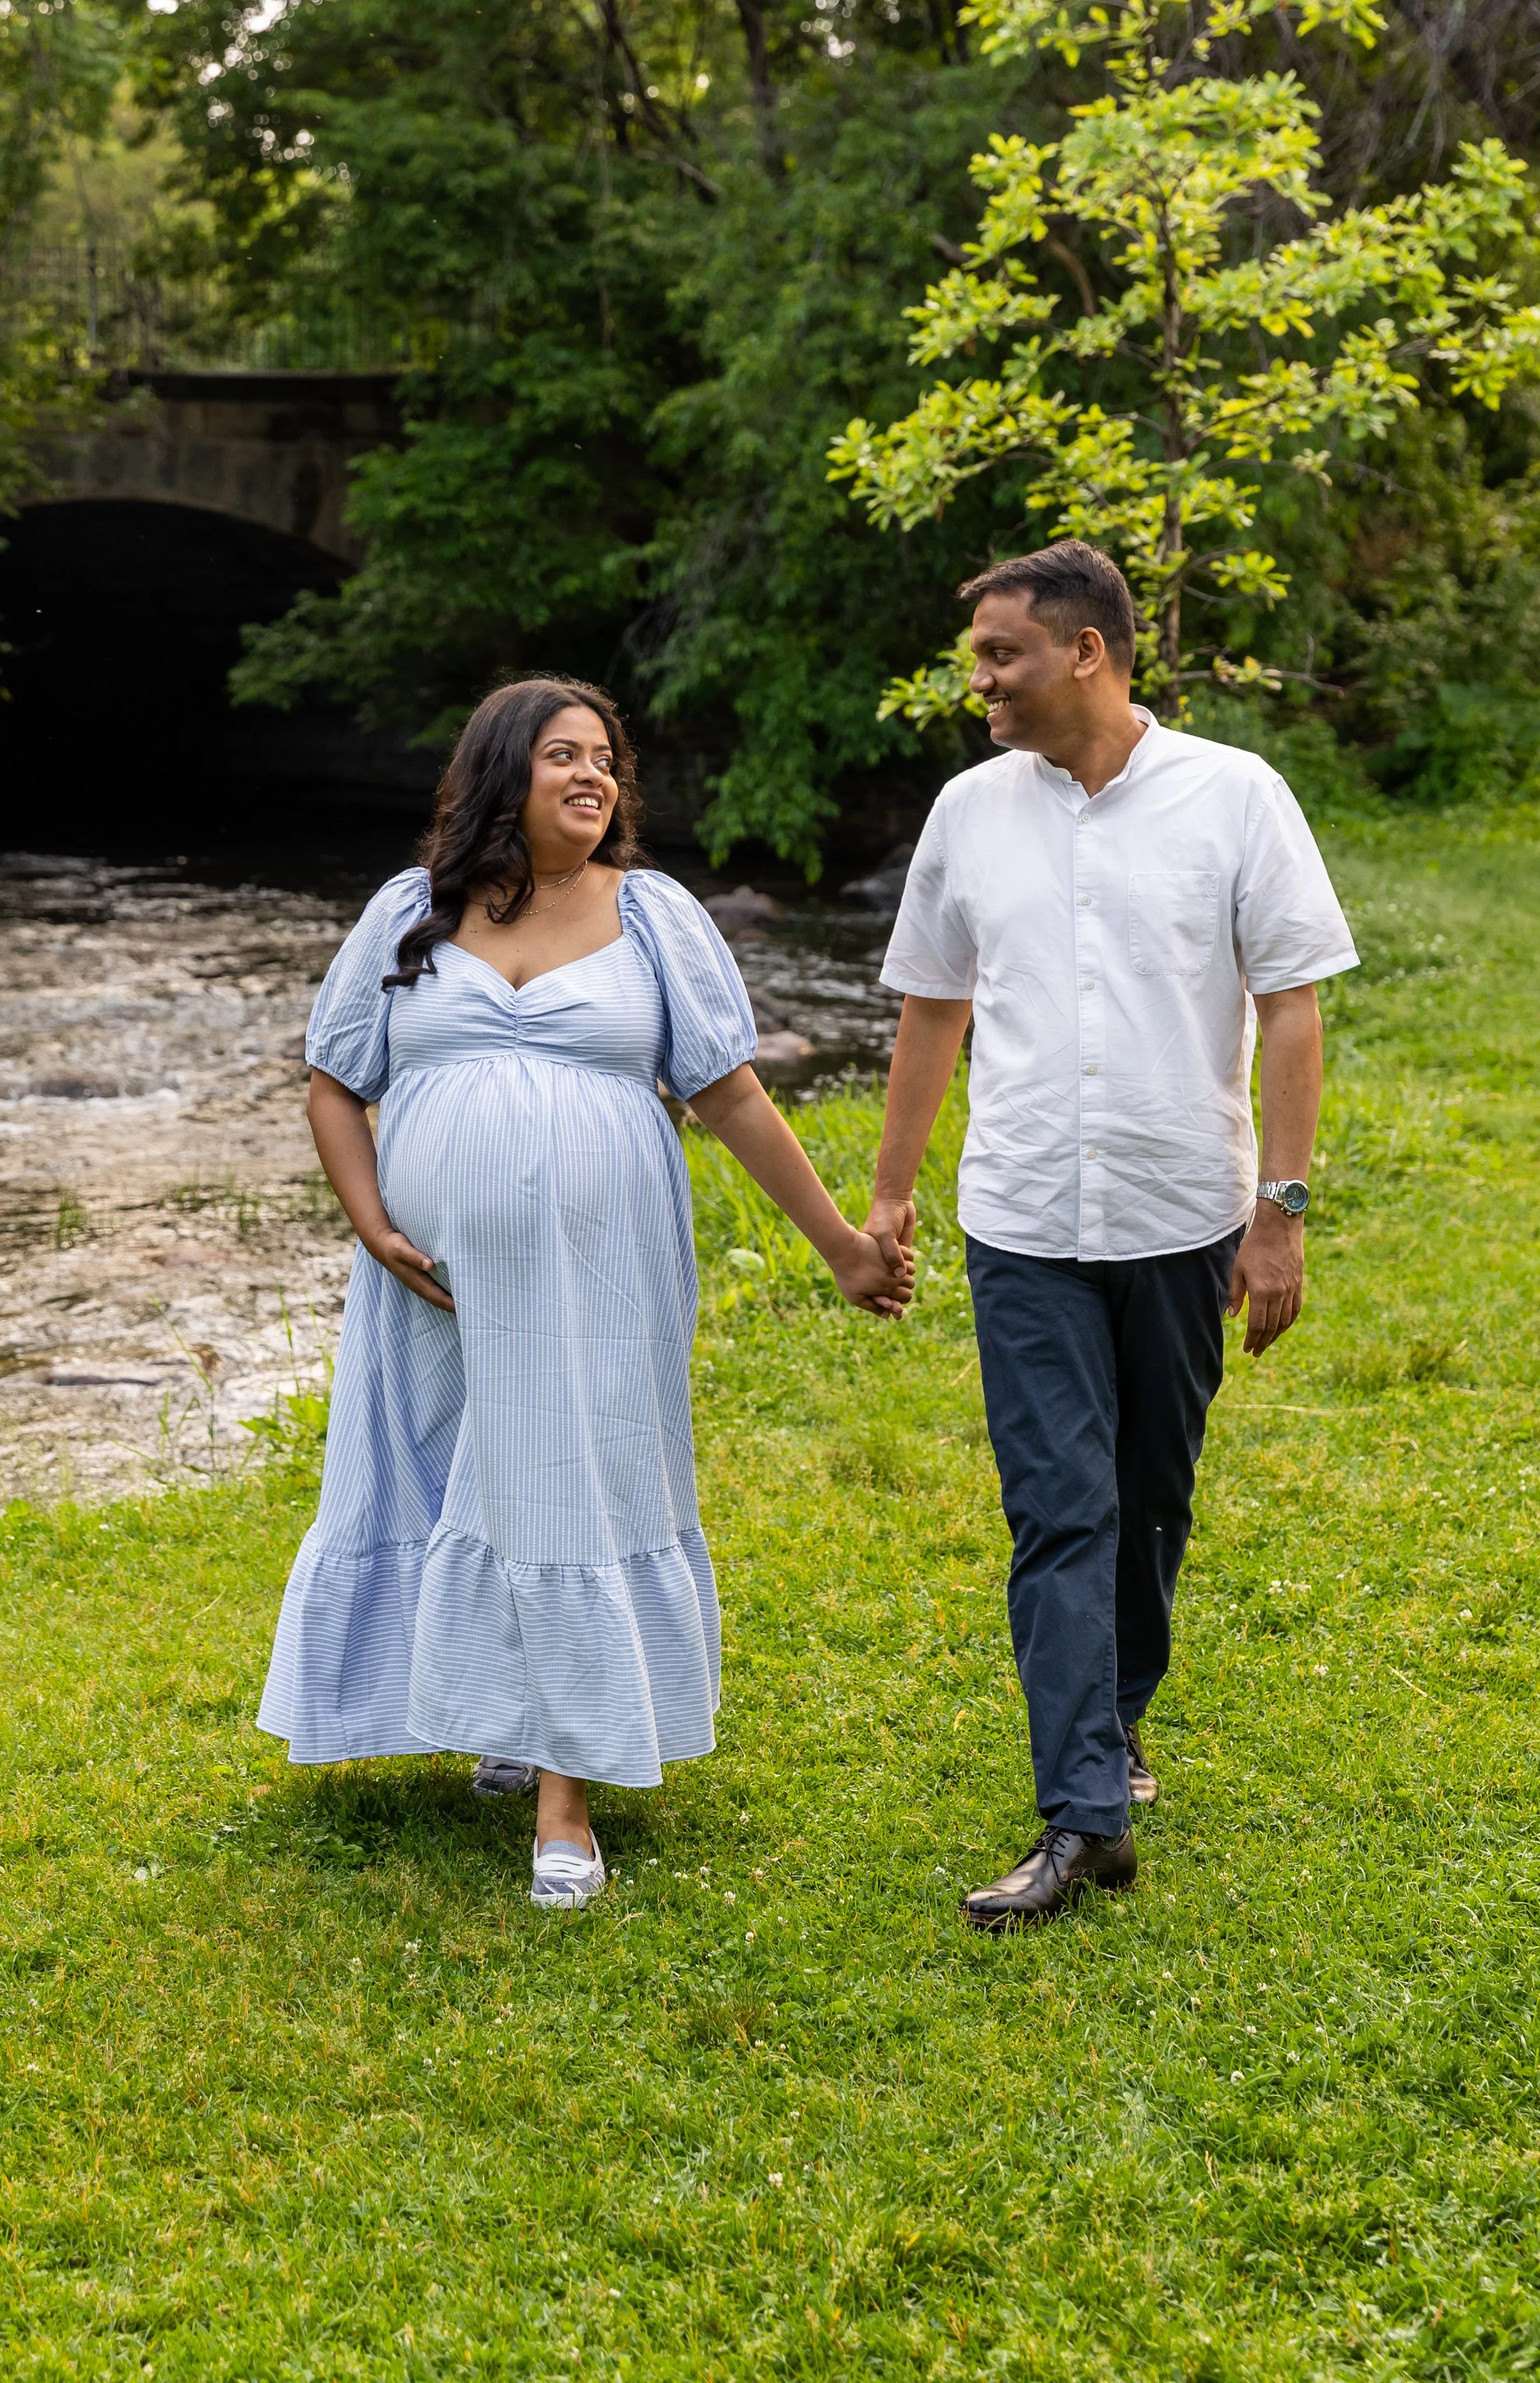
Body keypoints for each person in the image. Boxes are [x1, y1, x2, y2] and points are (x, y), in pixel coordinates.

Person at [259, 677, 912, 1908]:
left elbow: (731, 1093)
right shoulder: (410, 909)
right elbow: (334, 1084)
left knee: (570, 1483)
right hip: (432, 1278)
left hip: (601, 1269)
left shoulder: (653, 915)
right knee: (452, 1474)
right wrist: (374, 1224)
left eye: (605, 758)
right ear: (501, 771)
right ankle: (499, 1715)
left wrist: (838, 1244)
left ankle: (564, 1802)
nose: (592, 774)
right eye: (563, 754)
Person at [863, 541, 1358, 1927]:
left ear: (1086, 651)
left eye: (1000, 656)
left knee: (1147, 1501)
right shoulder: (968, 811)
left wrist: (1280, 1212)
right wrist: (891, 1194)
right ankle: (1082, 1812)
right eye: (977, 658)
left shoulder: (1234, 795)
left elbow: (1291, 1006)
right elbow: (931, 1005)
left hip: (1180, 1213)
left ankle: (1113, 1714)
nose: (980, 683)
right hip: (1021, 1216)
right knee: (1058, 1509)